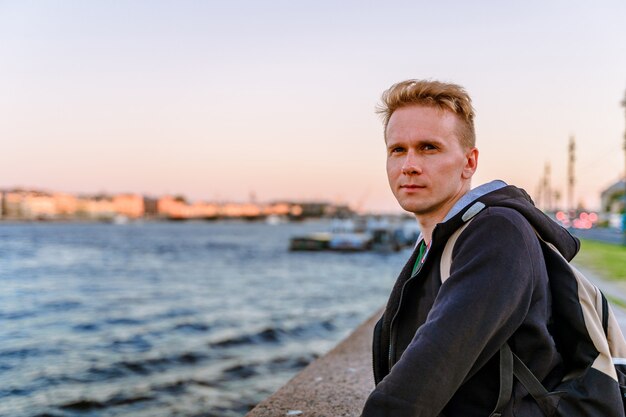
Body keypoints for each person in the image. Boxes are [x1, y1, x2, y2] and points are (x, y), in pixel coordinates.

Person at [361, 80, 579, 416]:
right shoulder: (439, 241)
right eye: (397, 150)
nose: (409, 165)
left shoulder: (497, 232)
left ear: (469, 162)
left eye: (429, 147)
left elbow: (431, 367)